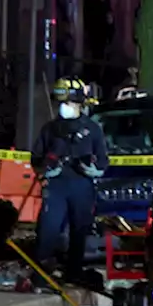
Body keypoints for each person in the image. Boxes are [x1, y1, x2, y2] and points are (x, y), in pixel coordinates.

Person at [31, 76, 110, 279]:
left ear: (78, 103)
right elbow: (36, 158)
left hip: (81, 186)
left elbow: (103, 161)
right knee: (48, 229)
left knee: (79, 231)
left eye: (68, 103)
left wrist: (92, 169)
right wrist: (47, 170)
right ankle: (41, 273)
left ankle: (74, 272)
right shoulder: (50, 129)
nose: (64, 107)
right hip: (56, 187)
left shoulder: (92, 129)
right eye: (62, 103)